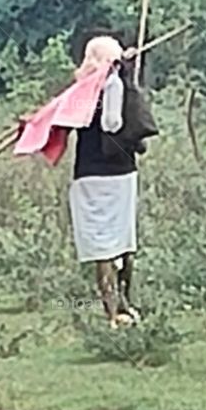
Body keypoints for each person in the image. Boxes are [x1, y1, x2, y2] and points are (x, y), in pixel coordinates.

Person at [69, 36, 141, 327]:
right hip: (119, 173)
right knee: (121, 241)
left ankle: (112, 313)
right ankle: (122, 306)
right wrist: (123, 78)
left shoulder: (80, 89)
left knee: (102, 246)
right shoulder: (112, 84)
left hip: (87, 175)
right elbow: (112, 124)